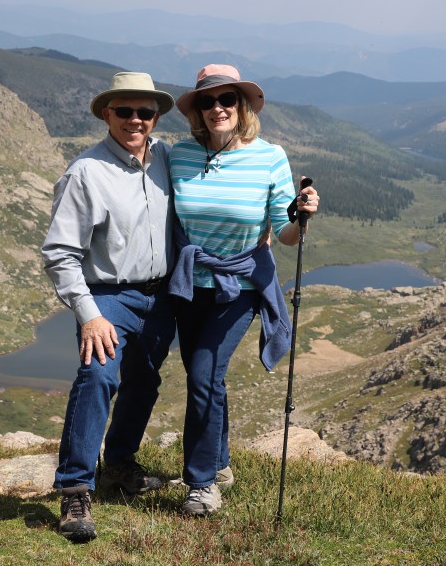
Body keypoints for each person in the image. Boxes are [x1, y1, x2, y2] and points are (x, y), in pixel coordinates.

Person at [168, 64, 319, 517]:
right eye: (207, 101)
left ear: (243, 105)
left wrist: (300, 217)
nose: (217, 108)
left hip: (240, 285)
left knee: (203, 375)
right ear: (197, 110)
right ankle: (220, 464)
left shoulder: (269, 157)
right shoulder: (180, 154)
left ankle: (201, 484)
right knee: (207, 378)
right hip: (190, 283)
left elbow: (284, 234)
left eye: (227, 99)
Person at [41, 71, 178, 542]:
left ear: (156, 117)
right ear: (106, 114)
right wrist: (89, 315)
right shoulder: (86, 173)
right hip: (108, 296)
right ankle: (75, 489)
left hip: (159, 296)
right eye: (124, 111)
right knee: (98, 377)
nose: (135, 120)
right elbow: (60, 254)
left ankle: (118, 465)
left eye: (145, 112)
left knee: (144, 381)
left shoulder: (165, 158)